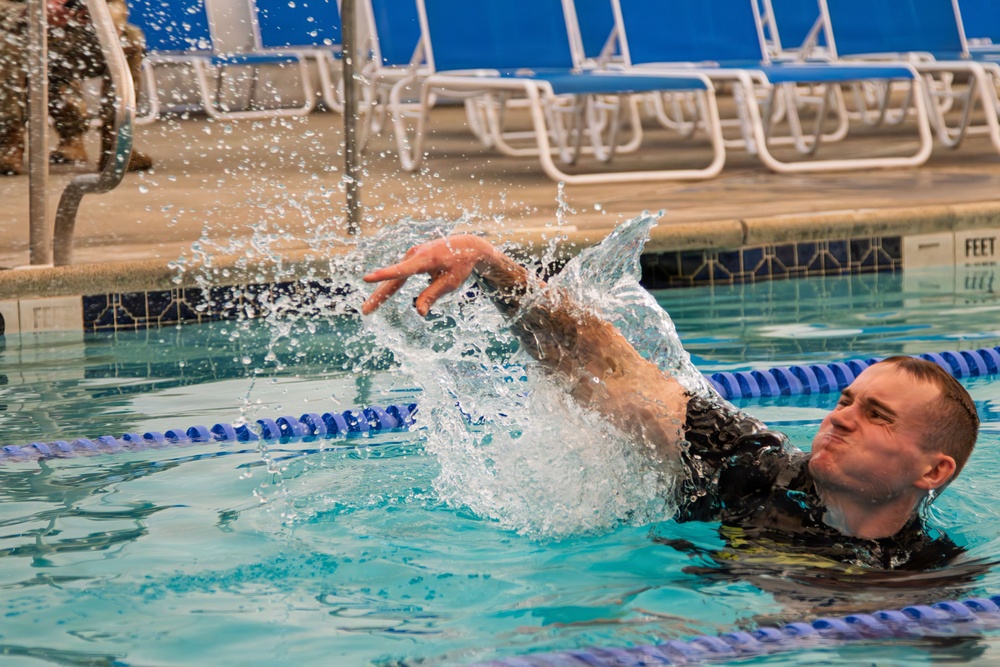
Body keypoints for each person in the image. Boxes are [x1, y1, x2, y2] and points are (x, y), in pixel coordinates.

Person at [361, 234, 980, 571]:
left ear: (934, 470)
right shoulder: (749, 467)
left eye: (877, 415)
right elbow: (607, 365)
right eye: (847, 400)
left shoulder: (934, 576)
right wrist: (491, 264)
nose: (841, 415)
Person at [0, 0, 152, 175]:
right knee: (7, 46)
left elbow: (115, 4)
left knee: (130, 39)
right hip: (23, 32)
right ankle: (8, 143)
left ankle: (117, 143)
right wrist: (26, 12)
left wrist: (104, 17)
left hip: (76, 33)